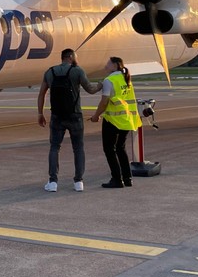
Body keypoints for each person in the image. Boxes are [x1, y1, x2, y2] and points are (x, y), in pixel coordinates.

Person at [37, 48, 102, 193]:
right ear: (71, 56)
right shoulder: (77, 71)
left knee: (55, 148)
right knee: (78, 148)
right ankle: (78, 181)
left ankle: (53, 181)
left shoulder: (50, 72)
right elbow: (90, 89)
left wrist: (40, 113)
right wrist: (100, 85)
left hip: (57, 116)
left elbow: (41, 94)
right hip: (75, 116)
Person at [90, 56, 142, 189]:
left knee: (109, 149)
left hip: (113, 120)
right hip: (126, 120)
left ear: (115, 65)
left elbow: (104, 102)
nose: (105, 66)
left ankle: (116, 179)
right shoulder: (126, 79)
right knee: (121, 148)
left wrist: (96, 115)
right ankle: (127, 177)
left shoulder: (109, 80)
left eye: (108, 63)